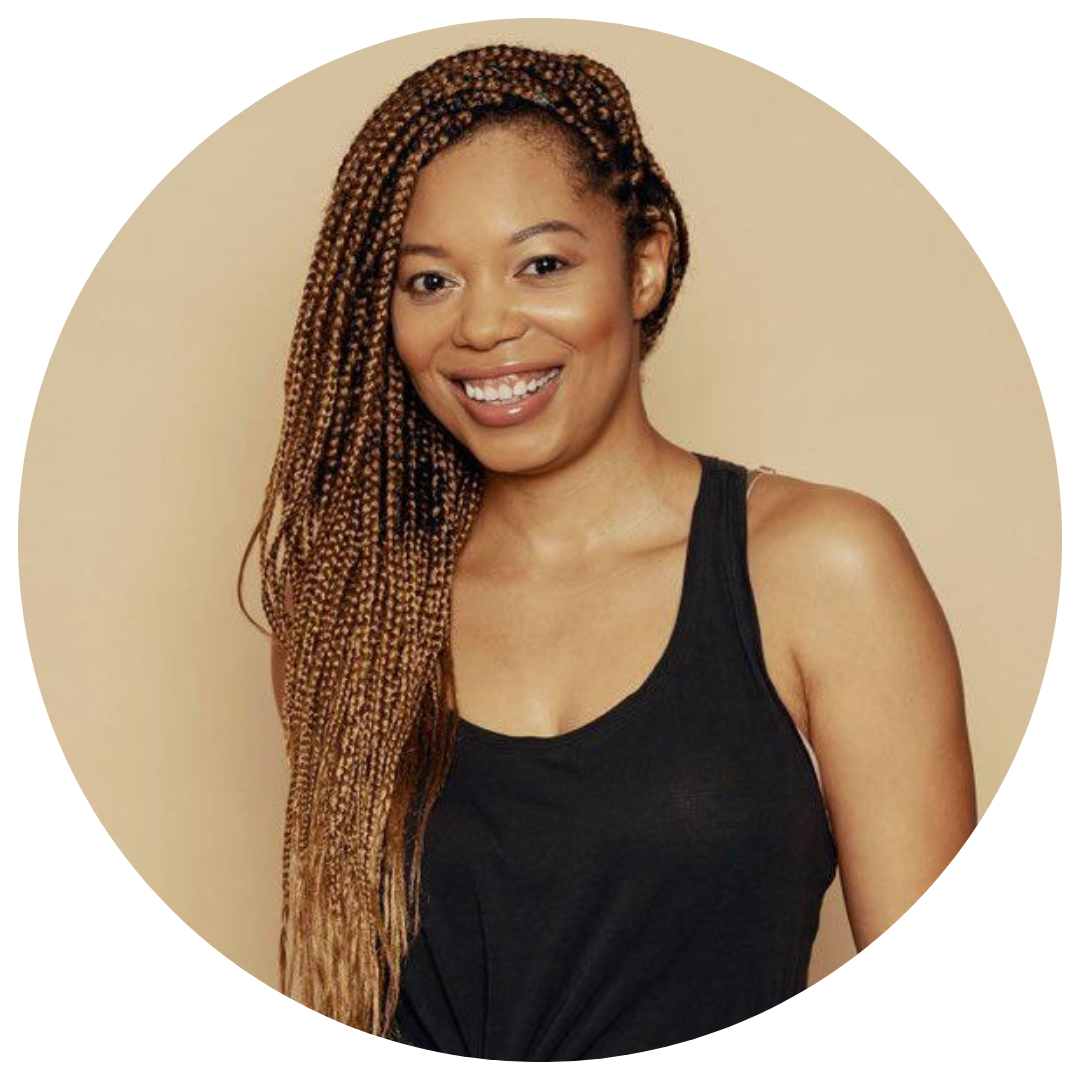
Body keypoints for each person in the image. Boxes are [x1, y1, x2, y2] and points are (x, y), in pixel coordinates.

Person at [239, 43, 976, 1058]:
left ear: (645, 264)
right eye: (429, 280)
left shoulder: (820, 569)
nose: (484, 325)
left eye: (542, 265)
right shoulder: (355, 609)